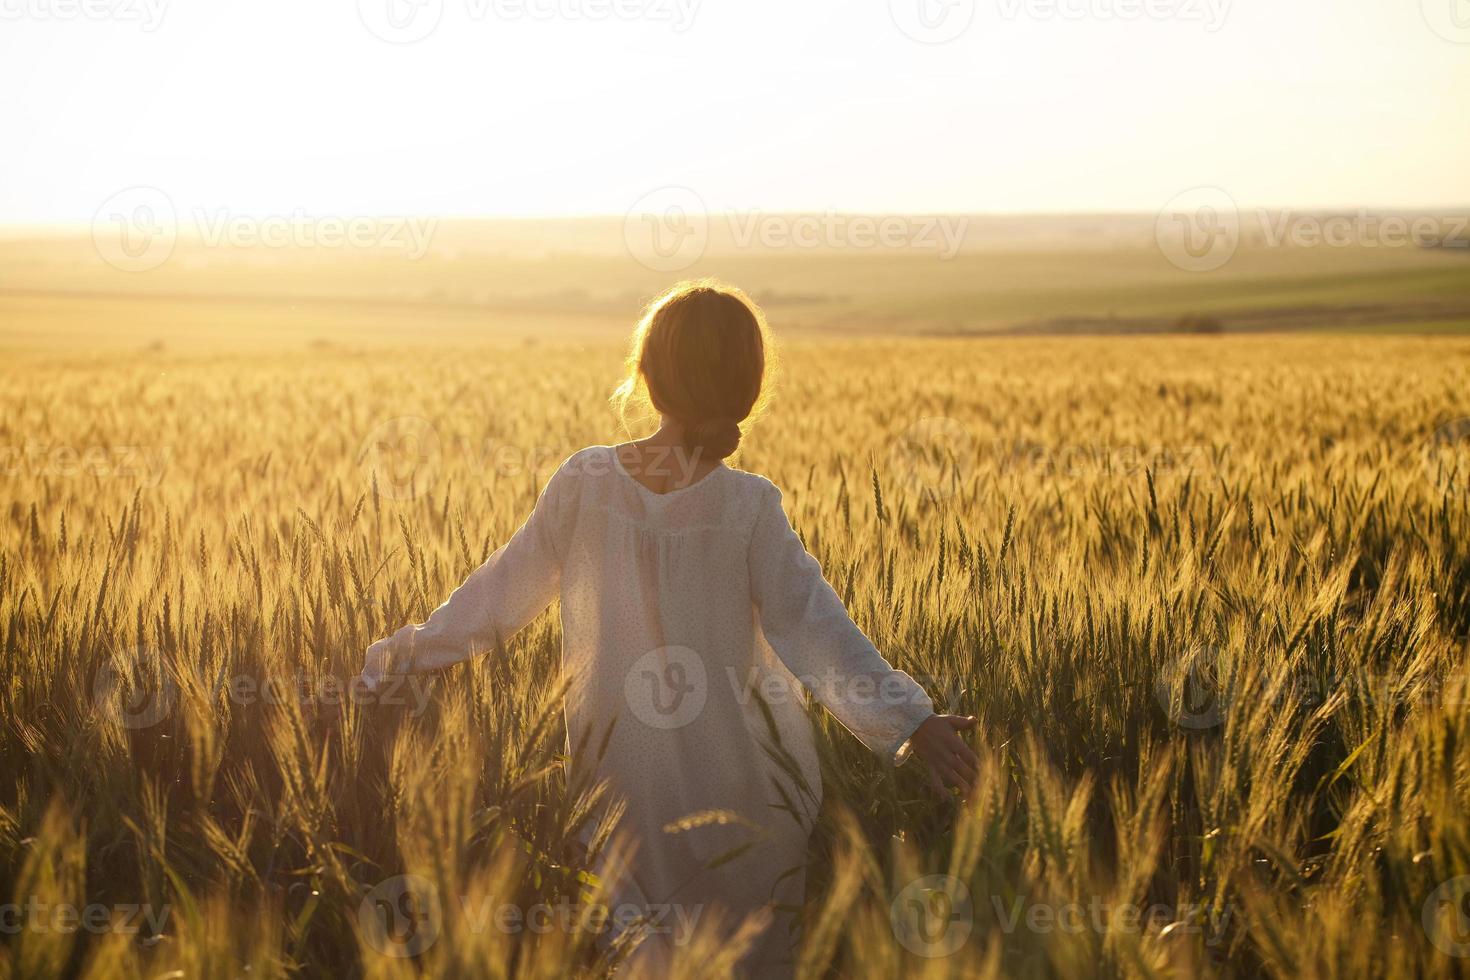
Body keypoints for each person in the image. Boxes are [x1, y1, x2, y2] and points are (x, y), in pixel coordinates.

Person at [359, 280, 979, 975]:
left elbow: (498, 597)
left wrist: (399, 657)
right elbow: (816, 631)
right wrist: (909, 723)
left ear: (648, 378)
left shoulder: (585, 483)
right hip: (748, 795)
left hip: (621, 791)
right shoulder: (748, 506)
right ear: (747, 389)